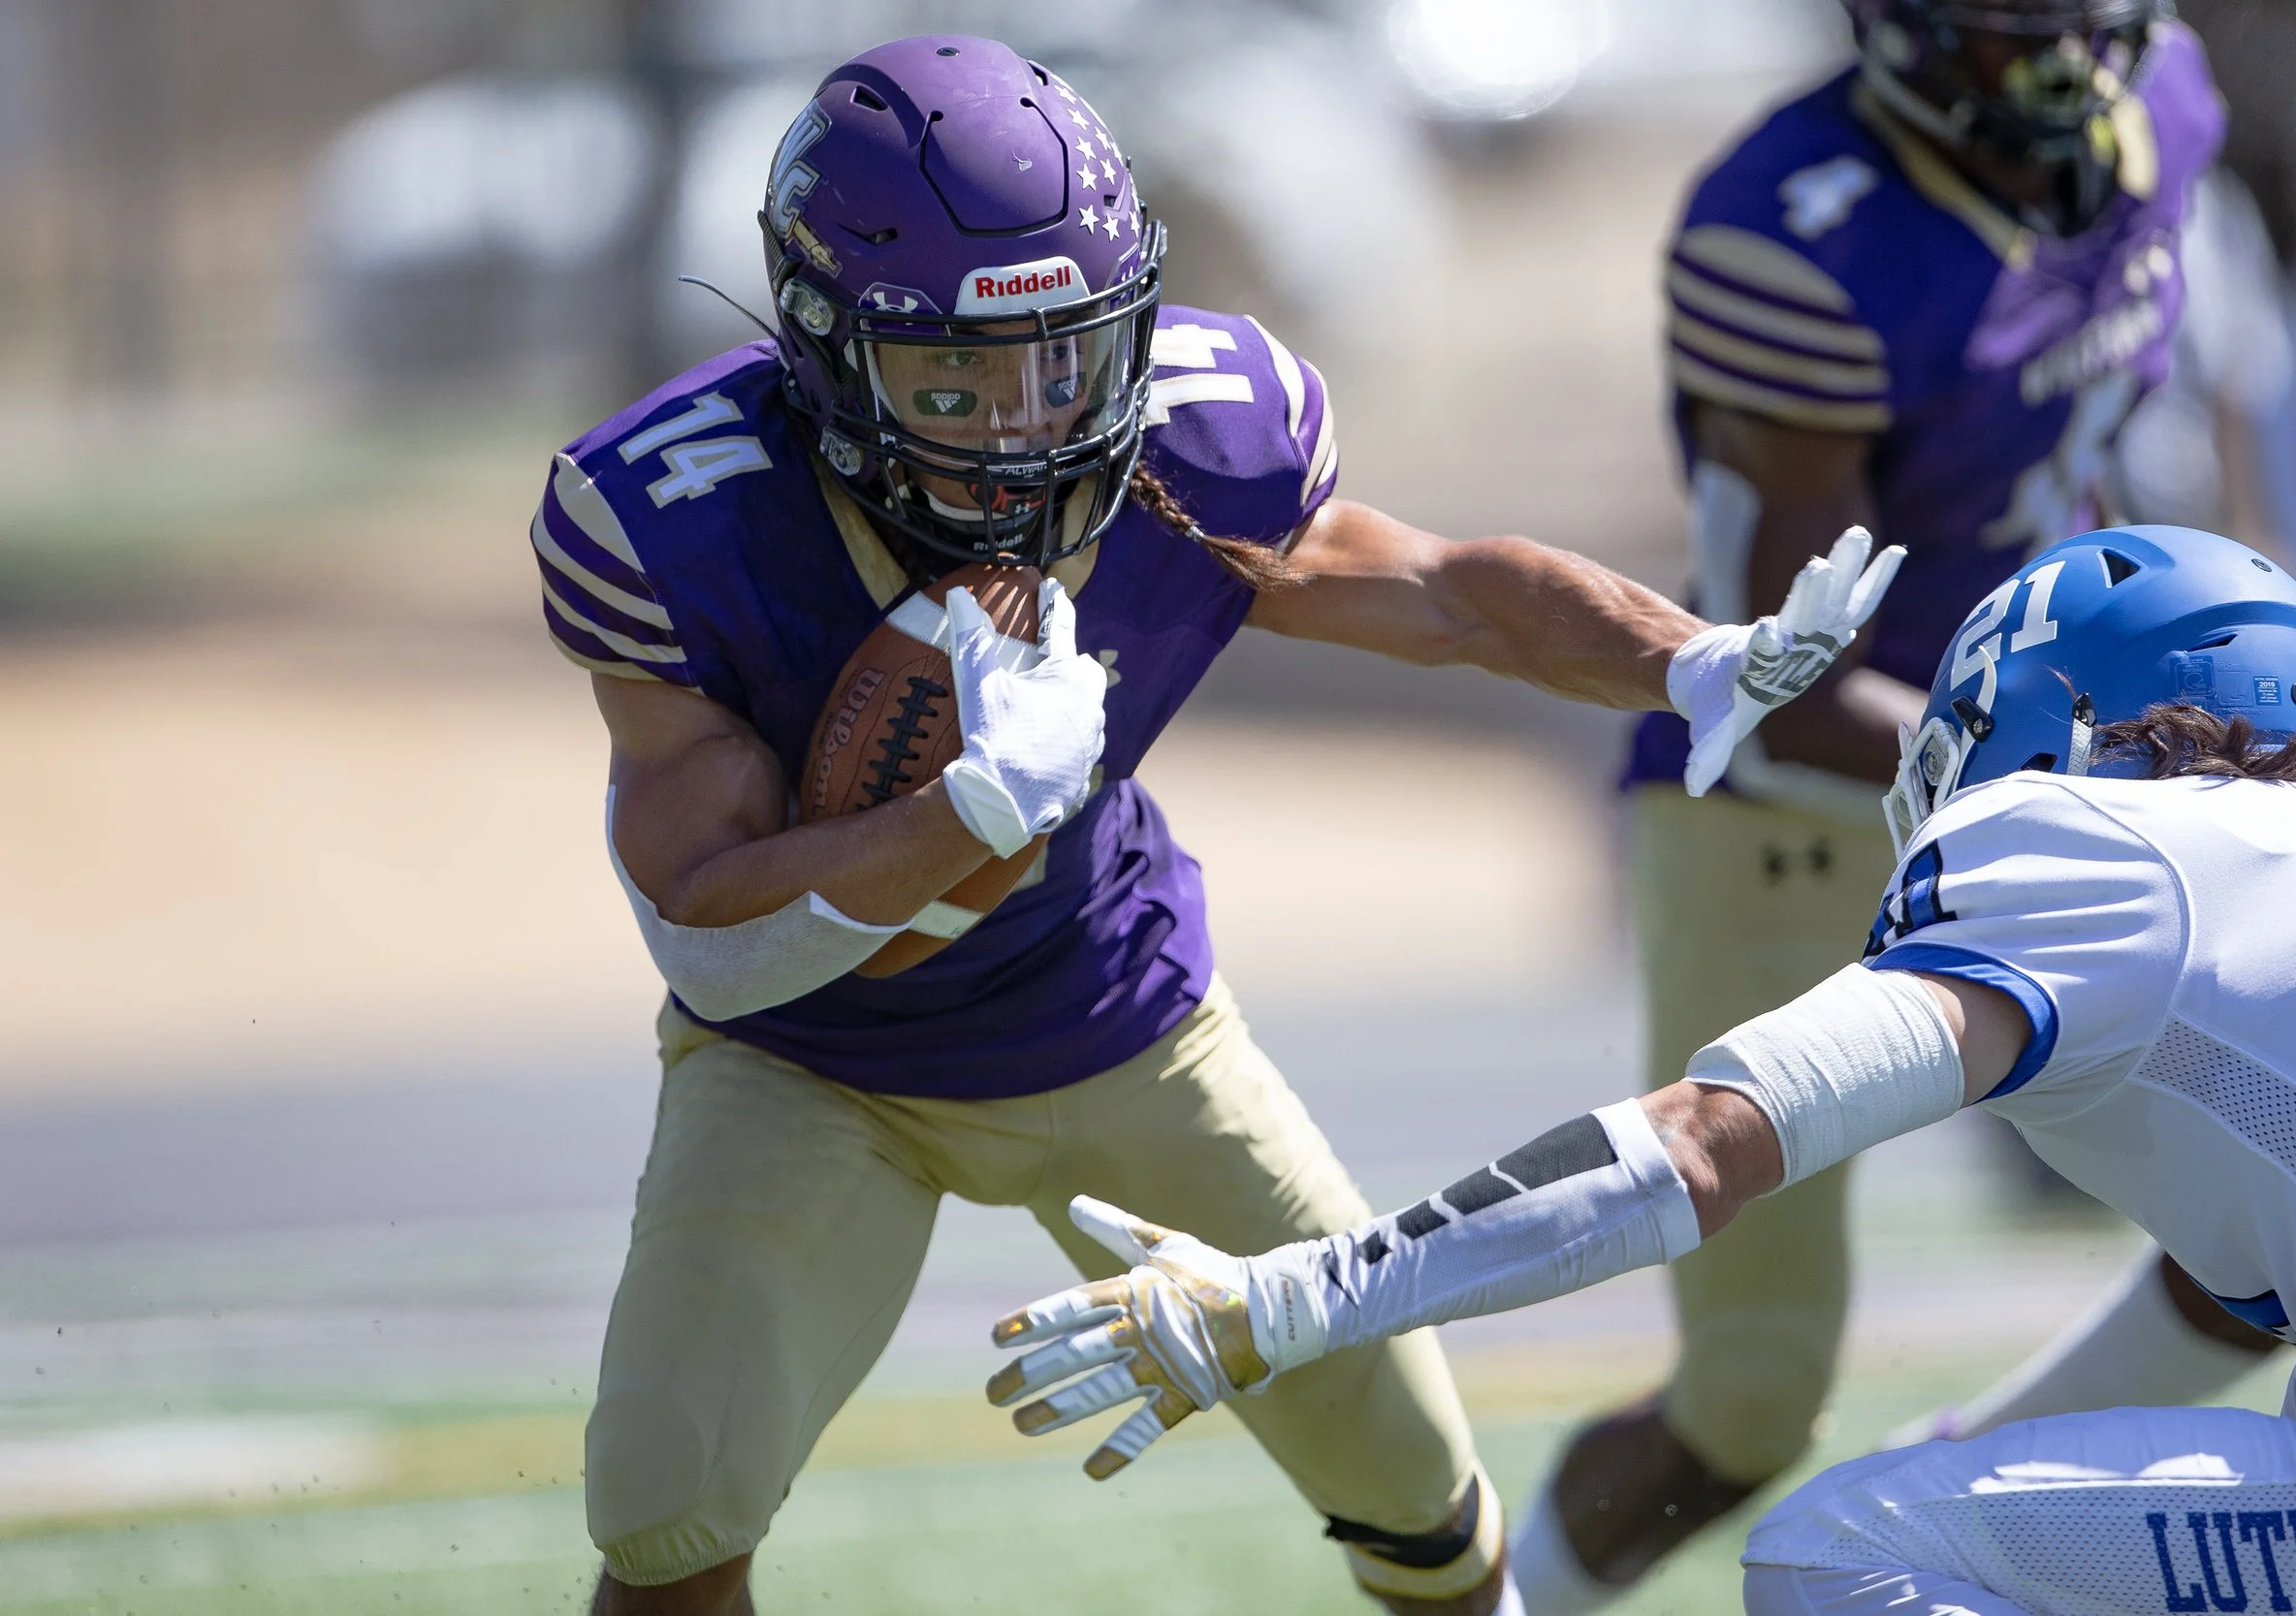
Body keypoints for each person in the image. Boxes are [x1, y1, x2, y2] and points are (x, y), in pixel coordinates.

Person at [533, 34, 1900, 1616]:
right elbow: (718, 929)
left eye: (1066, 358)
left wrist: (1688, 659)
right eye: (956, 378)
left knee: (1419, 1496)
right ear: (831, 354)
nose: (1026, 422)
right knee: (665, 1513)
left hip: (1123, 1020)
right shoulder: (676, 514)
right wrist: (964, 811)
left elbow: (1456, 600)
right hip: (814, 1067)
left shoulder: (1197, 433)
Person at [993, 522, 2296, 1616]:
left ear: (2063, 724)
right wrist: (1981, 1449)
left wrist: (1283, 1297)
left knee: (1834, 1550)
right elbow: (2224, 1297)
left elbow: (1700, 1144)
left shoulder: (2078, 844)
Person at [1574, 2, 2263, 1599]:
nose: (2060, 70)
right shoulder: (1798, 226)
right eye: (2008, 33)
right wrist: (2085, 762)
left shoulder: (2160, 93)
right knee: (1746, 1405)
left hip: (2073, 770)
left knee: (2270, 1233)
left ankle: (1959, 1506)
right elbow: (1774, 678)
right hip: (1799, 819)